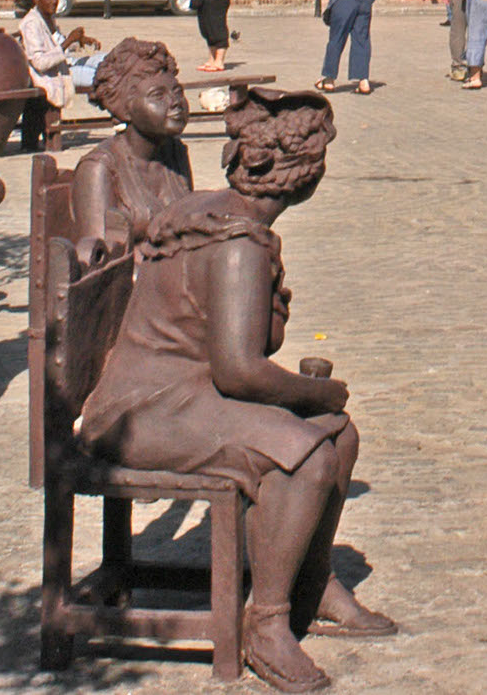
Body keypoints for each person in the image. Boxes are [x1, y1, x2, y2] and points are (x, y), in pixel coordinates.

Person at [75, 92, 397, 688]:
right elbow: (239, 372)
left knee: (339, 436)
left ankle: (309, 580)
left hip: (179, 391)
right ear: (304, 177)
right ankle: (266, 624)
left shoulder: (218, 214)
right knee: (300, 454)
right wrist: (311, 393)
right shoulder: (239, 244)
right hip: (146, 408)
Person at [71, 38, 193, 251]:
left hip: (177, 273)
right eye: (158, 96)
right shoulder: (99, 168)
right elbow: (98, 260)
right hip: (131, 280)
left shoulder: (175, 152)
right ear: (124, 109)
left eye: (177, 91)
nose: (175, 102)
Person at [17, 0, 73, 152]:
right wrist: (67, 43)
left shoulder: (47, 19)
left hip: (61, 67)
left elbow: (54, 45)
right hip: (48, 75)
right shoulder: (32, 23)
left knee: (99, 61)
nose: (54, 2)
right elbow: (40, 62)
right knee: (101, 71)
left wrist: (76, 41)